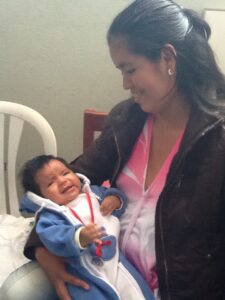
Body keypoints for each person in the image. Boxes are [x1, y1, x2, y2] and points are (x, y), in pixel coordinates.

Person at [1, 0, 225, 299]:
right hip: (103, 266)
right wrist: (41, 247)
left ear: (168, 58)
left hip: (172, 288)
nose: (124, 83)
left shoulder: (216, 139)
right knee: (18, 292)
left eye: (130, 69)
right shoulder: (128, 118)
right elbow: (73, 178)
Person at [19, 155, 154, 300]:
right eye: (51, 182)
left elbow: (117, 195)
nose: (62, 181)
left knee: (137, 291)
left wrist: (114, 200)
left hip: (117, 263)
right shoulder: (51, 215)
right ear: (40, 197)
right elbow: (51, 237)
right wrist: (79, 236)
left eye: (65, 173)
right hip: (84, 274)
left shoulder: (94, 193)